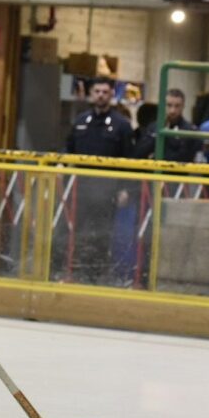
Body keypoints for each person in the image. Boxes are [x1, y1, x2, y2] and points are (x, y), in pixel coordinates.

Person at [64, 76, 134, 284]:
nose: (101, 95)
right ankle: (77, 273)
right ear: (91, 94)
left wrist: (124, 189)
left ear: (112, 95)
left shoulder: (122, 125)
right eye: (97, 91)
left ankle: (98, 275)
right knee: (79, 231)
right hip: (82, 189)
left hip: (107, 191)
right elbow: (68, 151)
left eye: (105, 92)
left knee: (103, 234)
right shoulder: (80, 122)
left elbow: (128, 159)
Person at [132, 88, 199, 162]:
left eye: (177, 106)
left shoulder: (190, 130)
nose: (172, 110)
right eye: (169, 105)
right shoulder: (153, 127)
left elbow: (186, 157)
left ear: (183, 106)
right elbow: (139, 153)